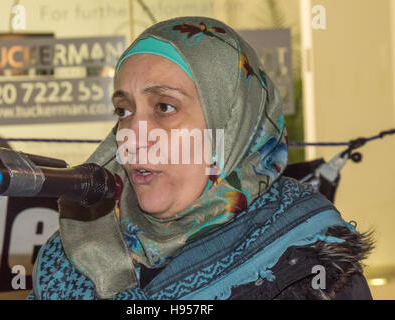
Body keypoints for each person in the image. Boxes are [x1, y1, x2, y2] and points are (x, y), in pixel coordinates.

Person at [29, 16, 374, 300]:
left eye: (165, 107)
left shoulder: (303, 251)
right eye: (123, 110)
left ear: (232, 123)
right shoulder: (77, 250)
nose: (132, 135)